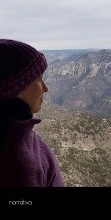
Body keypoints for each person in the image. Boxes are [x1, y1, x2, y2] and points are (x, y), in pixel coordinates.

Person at [0, 39, 64, 187]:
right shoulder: (18, 165)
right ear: (18, 87)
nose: (45, 88)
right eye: (39, 79)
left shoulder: (16, 132)